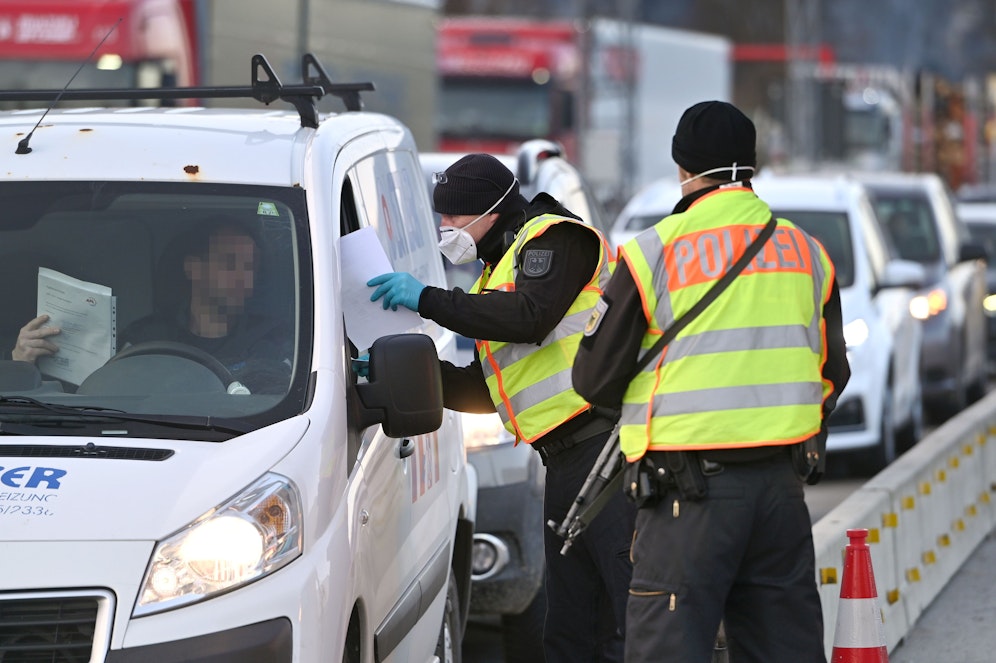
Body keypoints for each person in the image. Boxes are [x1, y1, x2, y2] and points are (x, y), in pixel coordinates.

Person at [571, 101, 851, 663]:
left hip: (687, 498)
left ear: (682, 166)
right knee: (785, 649)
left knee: (669, 648)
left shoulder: (652, 252)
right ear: (751, 165)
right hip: (779, 490)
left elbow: (594, 380)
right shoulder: (806, 250)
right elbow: (832, 372)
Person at [367, 153, 635, 662]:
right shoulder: (496, 271)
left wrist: (426, 298)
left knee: (623, 619)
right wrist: (388, 371)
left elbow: (528, 317)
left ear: (491, 211)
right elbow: (490, 390)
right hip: (565, 461)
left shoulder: (556, 239)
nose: (445, 227)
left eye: (452, 217)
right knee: (570, 627)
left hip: (606, 453)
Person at [12, 218, 292, 394]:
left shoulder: (271, 342)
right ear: (193, 268)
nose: (245, 278)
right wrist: (23, 364)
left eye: (250, 267)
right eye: (230, 264)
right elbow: (87, 397)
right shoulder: (145, 337)